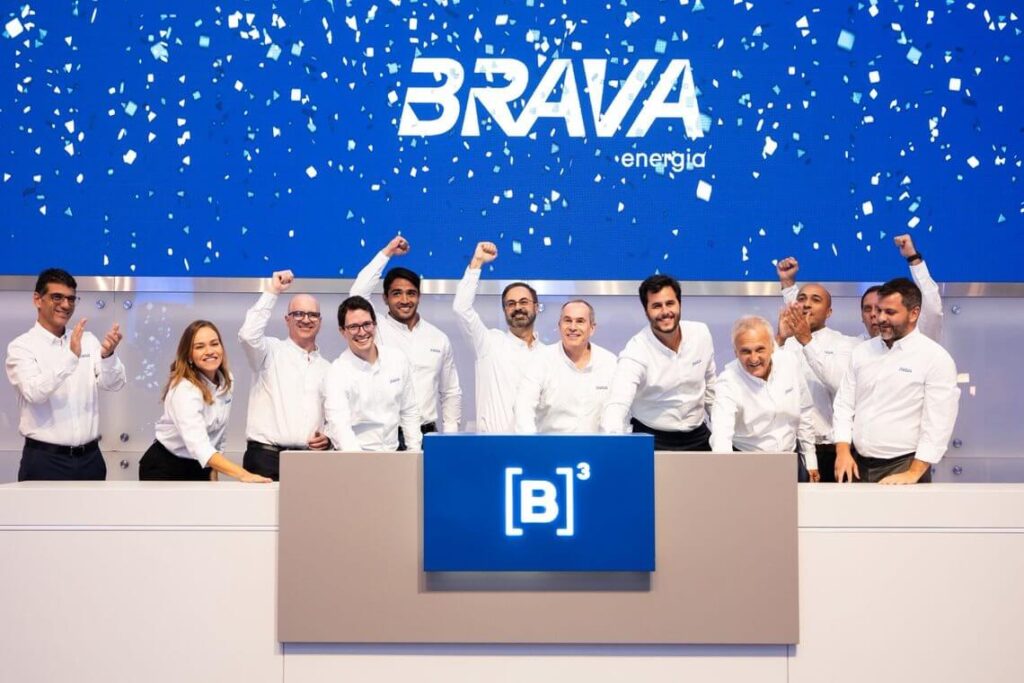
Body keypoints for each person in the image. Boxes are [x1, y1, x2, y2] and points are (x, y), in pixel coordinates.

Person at [833, 278, 960, 484]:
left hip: (905, 466)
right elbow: (843, 405)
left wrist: (914, 473)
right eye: (879, 310)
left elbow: (938, 423)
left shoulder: (935, 358)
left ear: (914, 313)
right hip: (856, 465)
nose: (880, 318)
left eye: (890, 312)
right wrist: (842, 451)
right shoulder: (862, 352)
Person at [6, 268, 126, 481]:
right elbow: (34, 393)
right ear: (37, 299)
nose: (66, 305)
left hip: (90, 458)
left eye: (71, 299)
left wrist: (108, 356)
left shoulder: (87, 340)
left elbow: (114, 383)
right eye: (57, 297)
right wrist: (71, 358)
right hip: (45, 460)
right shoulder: (22, 347)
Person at [350, 236, 462, 446]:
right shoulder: (375, 329)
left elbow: (450, 393)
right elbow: (357, 294)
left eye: (411, 293)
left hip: (428, 436)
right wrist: (387, 252)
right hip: (386, 438)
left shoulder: (438, 338)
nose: (404, 300)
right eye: (397, 294)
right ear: (385, 298)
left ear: (419, 296)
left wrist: (450, 438)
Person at [139, 321, 271, 482]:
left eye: (214, 344)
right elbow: (199, 446)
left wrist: (213, 472)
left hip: (200, 465)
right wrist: (245, 475)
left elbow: (219, 433)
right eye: (200, 347)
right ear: (189, 355)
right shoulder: (184, 390)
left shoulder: (227, 380)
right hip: (165, 466)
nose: (209, 351)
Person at [600, 274, 716, 450]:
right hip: (653, 438)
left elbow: (711, 390)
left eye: (670, 303)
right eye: (656, 306)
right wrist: (613, 445)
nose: (665, 312)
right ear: (646, 311)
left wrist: (722, 436)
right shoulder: (635, 350)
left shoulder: (701, 334)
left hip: (698, 434)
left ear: (679, 304)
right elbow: (617, 402)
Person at [237, 270, 331, 480]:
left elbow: (333, 415)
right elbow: (247, 335)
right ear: (287, 319)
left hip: (310, 460)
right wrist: (273, 291)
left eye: (312, 315)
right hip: (265, 459)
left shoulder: (328, 368)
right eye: (298, 314)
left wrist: (329, 437)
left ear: (320, 321)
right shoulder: (269, 351)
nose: (306, 319)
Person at [772, 268, 860, 482]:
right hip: (789, 446)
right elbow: (763, 379)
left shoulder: (846, 344)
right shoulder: (784, 342)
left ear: (829, 312)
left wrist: (806, 341)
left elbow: (839, 384)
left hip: (831, 449)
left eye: (816, 300)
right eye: (801, 299)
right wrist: (780, 339)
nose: (807, 304)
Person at [777, 233, 944, 343]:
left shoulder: (919, 342)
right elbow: (805, 317)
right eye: (867, 309)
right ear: (862, 317)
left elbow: (933, 310)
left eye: (882, 309)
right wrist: (788, 284)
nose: (875, 315)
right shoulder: (856, 349)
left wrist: (913, 258)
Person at [452, 241, 546, 432]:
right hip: (493, 445)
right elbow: (461, 308)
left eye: (524, 302)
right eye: (511, 304)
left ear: (536, 307)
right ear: (504, 310)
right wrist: (477, 262)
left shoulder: (549, 355)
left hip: (536, 445)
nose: (517, 307)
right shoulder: (489, 343)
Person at [710, 316, 818, 481]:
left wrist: (810, 460)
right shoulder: (728, 381)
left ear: (772, 347)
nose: (754, 359)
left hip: (791, 460)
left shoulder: (789, 362)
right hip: (747, 466)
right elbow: (721, 434)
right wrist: (726, 474)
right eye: (745, 351)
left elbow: (804, 412)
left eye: (760, 349)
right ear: (735, 352)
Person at [323, 296, 421, 451]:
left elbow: (409, 411)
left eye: (367, 324)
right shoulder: (337, 372)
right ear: (342, 331)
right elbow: (339, 426)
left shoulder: (397, 359)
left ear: (375, 325)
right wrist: (361, 463)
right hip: (354, 456)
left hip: (394, 455)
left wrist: (414, 453)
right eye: (353, 327)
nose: (362, 332)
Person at [513, 300, 617, 434]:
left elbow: (617, 412)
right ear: (559, 326)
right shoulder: (540, 360)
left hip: (598, 445)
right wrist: (531, 443)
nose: (573, 327)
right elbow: (523, 406)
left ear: (592, 328)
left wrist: (612, 442)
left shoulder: (610, 363)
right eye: (567, 320)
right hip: (551, 445)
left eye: (580, 321)